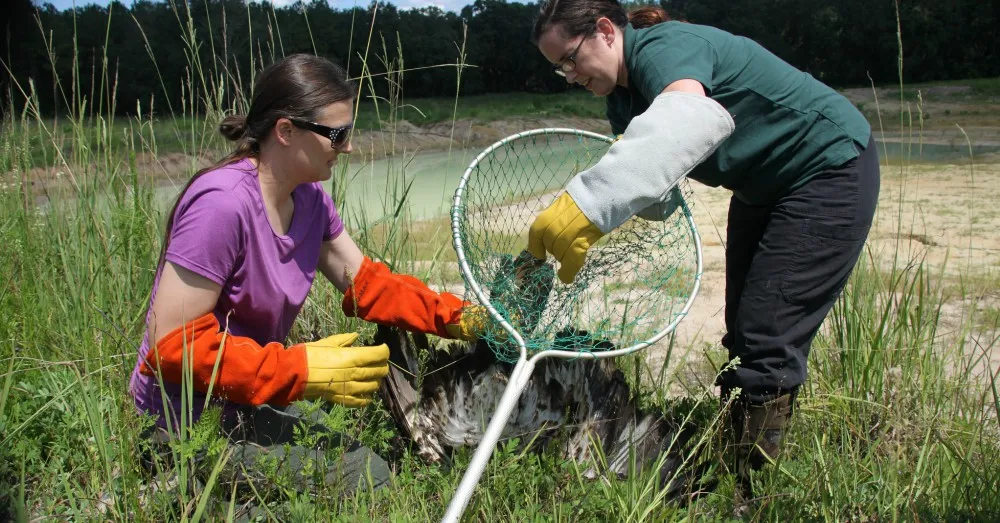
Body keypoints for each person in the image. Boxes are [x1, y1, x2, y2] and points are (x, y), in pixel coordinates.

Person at [526, 0, 880, 509]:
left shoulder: (665, 48)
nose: (569, 75)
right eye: (559, 68)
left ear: (605, 30)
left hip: (827, 166)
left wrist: (587, 203)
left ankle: (749, 496)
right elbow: (656, 187)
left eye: (570, 59)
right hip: (762, 189)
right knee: (744, 331)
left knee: (767, 336)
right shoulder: (622, 102)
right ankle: (734, 461)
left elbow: (687, 120)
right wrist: (596, 217)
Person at [129, 53, 486, 499]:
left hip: (246, 400)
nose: (348, 147)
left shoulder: (310, 200)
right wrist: (299, 369)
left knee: (361, 458)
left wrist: (456, 316)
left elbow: (368, 285)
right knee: (372, 480)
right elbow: (171, 344)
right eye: (337, 134)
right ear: (285, 131)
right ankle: (177, 488)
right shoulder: (221, 204)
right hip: (181, 422)